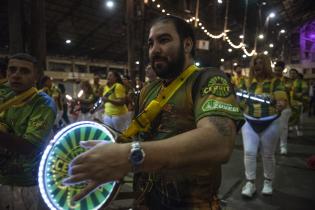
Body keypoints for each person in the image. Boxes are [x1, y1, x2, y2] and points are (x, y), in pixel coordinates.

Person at [63, 15, 244, 210]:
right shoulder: (149, 90)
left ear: (187, 44)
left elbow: (219, 141)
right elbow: (141, 138)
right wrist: (105, 156)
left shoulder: (208, 79)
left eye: (164, 40)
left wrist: (128, 157)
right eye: (150, 44)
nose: (155, 50)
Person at [0, 53, 56, 209]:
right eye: (12, 69)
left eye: (24, 71)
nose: (16, 75)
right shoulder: (4, 95)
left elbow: (29, 146)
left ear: (36, 77)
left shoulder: (43, 103)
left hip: (28, 185)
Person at [239, 54, 287, 197]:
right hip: (248, 121)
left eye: (260, 63)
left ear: (266, 65)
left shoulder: (275, 82)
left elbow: (282, 100)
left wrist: (280, 104)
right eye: (255, 63)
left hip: (271, 121)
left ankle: (268, 181)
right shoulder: (246, 82)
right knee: (249, 152)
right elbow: (239, 101)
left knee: (267, 154)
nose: (257, 65)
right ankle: (250, 183)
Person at [274, 61, 291, 155]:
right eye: (275, 70)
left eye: (279, 70)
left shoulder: (287, 80)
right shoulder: (271, 80)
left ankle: (283, 147)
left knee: (283, 128)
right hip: (272, 107)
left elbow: (287, 89)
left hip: (285, 107)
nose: (277, 72)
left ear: (282, 70)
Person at [288, 69, 308, 136]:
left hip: (298, 103)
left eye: (294, 73)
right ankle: (290, 128)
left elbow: (305, 90)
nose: (292, 75)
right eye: (291, 73)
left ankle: (299, 130)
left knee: (298, 117)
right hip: (289, 103)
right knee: (290, 117)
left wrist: (300, 94)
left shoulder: (301, 82)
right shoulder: (288, 82)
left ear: (296, 74)